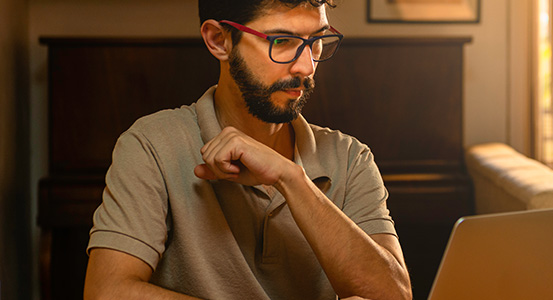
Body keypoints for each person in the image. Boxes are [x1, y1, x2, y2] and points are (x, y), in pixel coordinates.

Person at [83, 0, 412, 299]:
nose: (306, 67)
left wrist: (291, 178)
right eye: (281, 42)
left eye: (316, 41)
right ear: (218, 40)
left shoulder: (351, 157)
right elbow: (106, 291)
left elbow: (393, 295)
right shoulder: (151, 144)